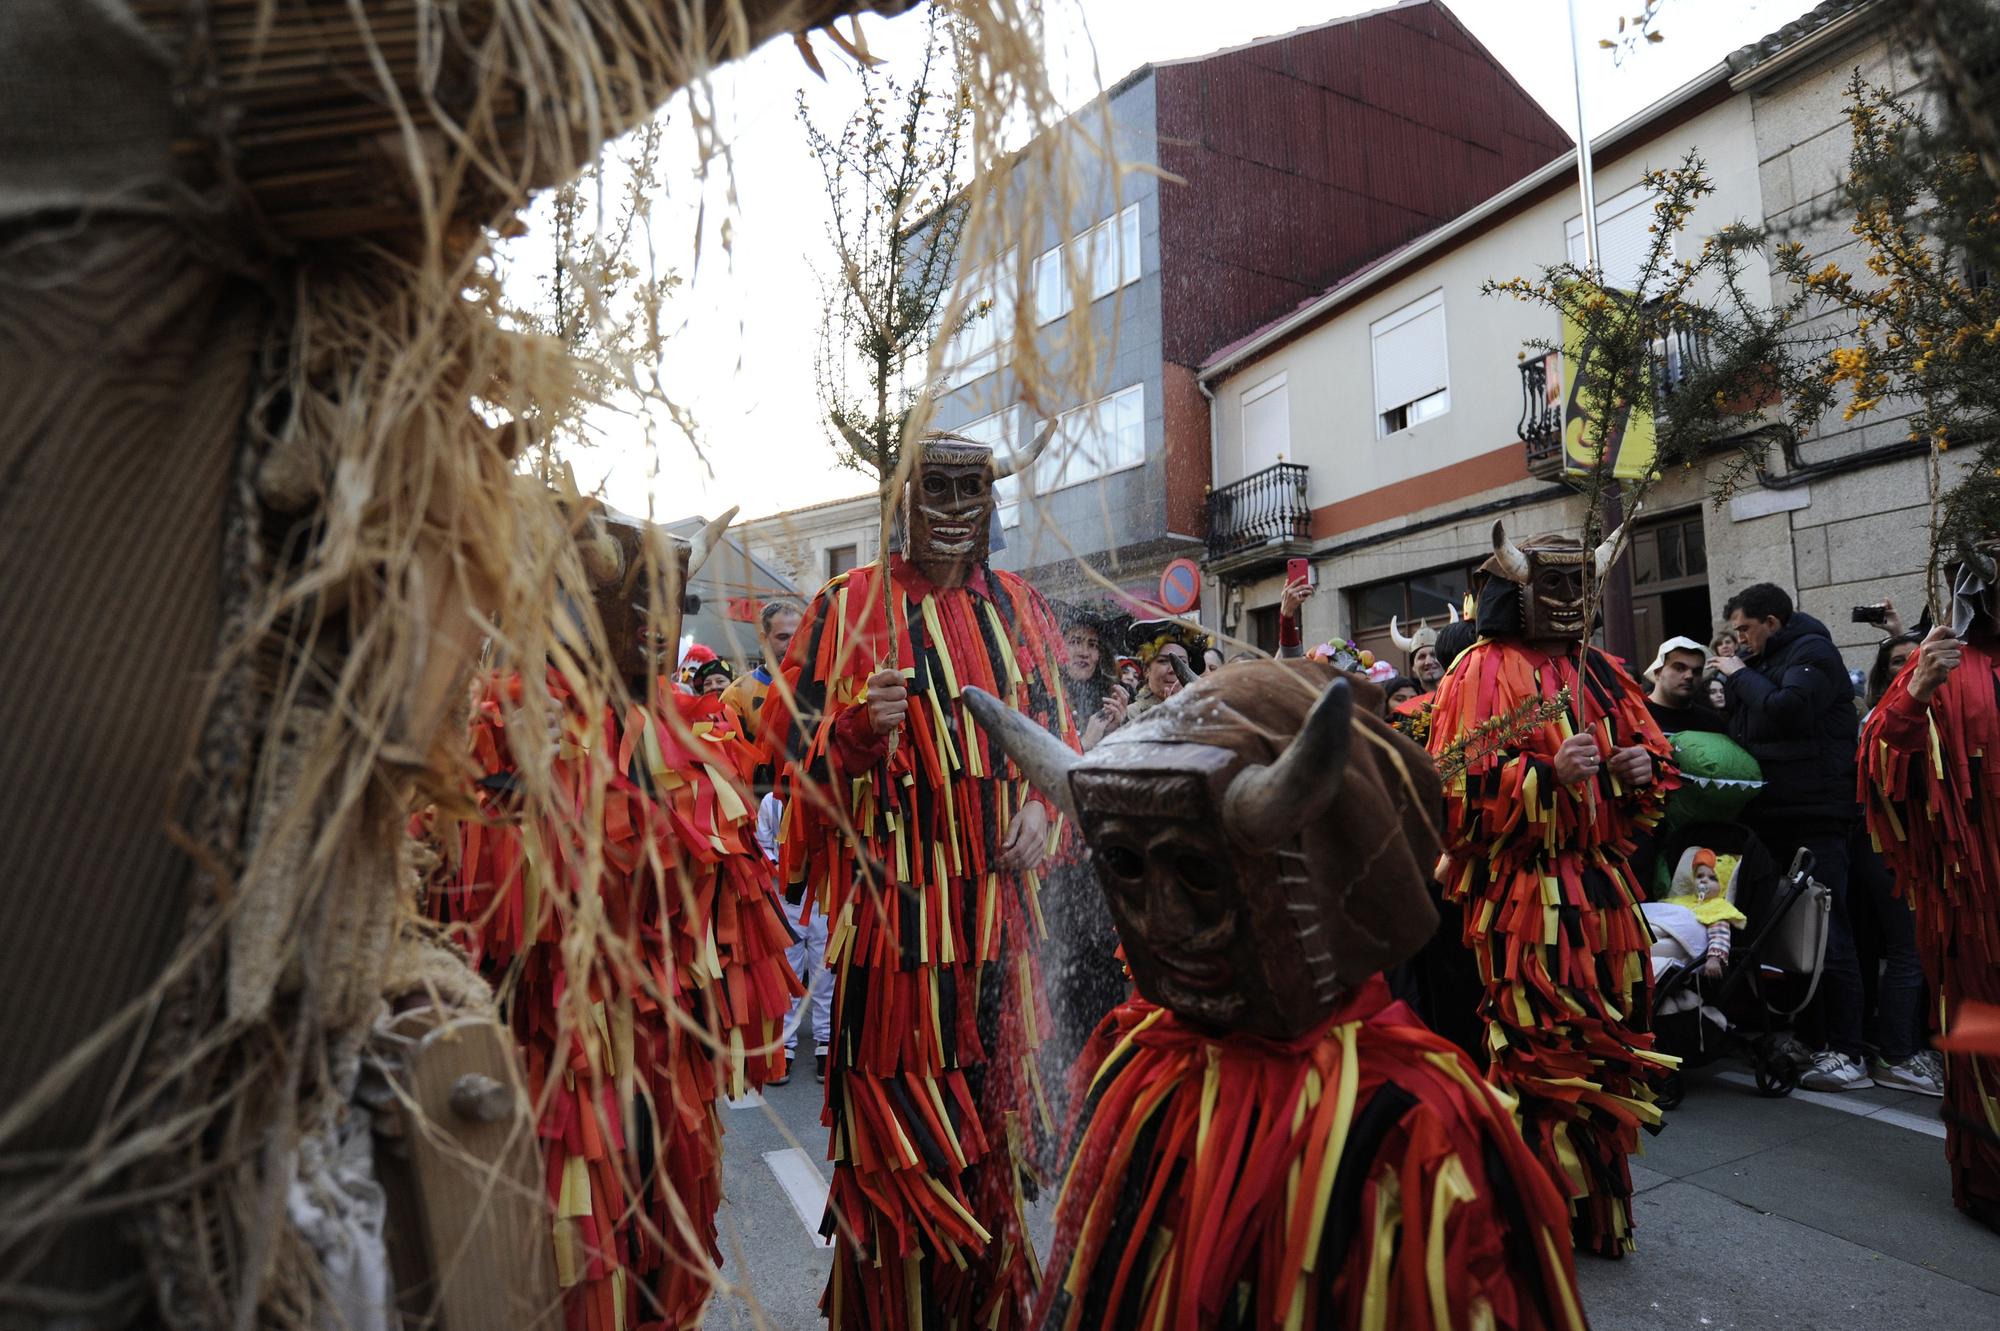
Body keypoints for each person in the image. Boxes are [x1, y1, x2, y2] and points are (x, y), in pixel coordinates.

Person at [963, 665, 1590, 1331]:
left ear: (1316, 863)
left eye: (1198, 870)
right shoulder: (1134, 1063)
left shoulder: (1416, 1128)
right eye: (1125, 863)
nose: (1161, 923)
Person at [435, 511, 801, 1329]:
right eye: (641, 606)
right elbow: (466, 915)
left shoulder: (700, 730)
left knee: (671, 1261)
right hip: (559, 1067)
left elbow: (737, 908)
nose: (662, 629)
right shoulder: (506, 725)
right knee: (575, 1269)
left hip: (672, 1074)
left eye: (674, 604)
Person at [773, 430, 1075, 1329]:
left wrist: (1044, 810)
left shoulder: (1020, 609)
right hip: (894, 948)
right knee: (895, 1168)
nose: (952, 512)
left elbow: (1064, 750)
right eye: (934, 490)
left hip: (999, 941)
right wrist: (859, 736)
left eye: (970, 491)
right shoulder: (845, 608)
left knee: (988, 1159)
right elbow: (791, 771)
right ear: (900, 502)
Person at [1428, 519, 1674, 1258]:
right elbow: (1449, 790)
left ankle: (1597, 1210)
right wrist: (1539, 776)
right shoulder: (1478, 670)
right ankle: (1534, 1216)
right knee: (1538, 1053)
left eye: (1580, 584)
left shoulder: (1601, 669)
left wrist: (1639, 772)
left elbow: (1657, 764)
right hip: (1524, 896)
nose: (1570, 601)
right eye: (1554, 584)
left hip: (1603, 890)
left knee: (1607, 1048)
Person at [1861, 551, 2000, 1230]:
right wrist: (1916, 693)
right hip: (1977, 897)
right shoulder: (1943, 667)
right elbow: (1879, 760)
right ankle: (1993, 1175)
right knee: (1989, 1030)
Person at [1714, 582, 1876, 1091]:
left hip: (1816, 815)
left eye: (1744, 628)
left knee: (1831, 933)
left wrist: (1738, 676)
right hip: (1777, 814)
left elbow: (1787, 710)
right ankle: (1811, 1036)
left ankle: (1850, 1051)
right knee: (1790, 936)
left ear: (1772, 622)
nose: (1739, 640)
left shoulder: (1813, 651)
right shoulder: (1763, 659)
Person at [759, 791, 831, 1087]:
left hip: (822, 898)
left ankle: (825, 1043)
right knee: (787, 972)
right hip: (786, 898)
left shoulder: (826, 795)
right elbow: (762, 845)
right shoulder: (771, 802)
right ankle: (784, 1045)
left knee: (824, 974)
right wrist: (783, 870)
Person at [721, 598, 805, 749]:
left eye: (798, 636)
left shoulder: (822, 686)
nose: (792, 645)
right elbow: (729, 756)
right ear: (763, 639)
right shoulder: (736, 695)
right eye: (783, 637)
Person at [1057, 613, 1130, 752]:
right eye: (1075, 642)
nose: (1084, 653)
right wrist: (1085, 744)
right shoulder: (1039, 699)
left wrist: (1111, 733)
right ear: (1057, 647)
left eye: (1092, 644)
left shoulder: (1107, 698)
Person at [1646, 636, 1729, 734]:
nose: (1689, 676)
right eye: (1679, 668)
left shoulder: (1712, 722)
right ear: (1657, 672)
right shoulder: (1634, 715)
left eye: (1697, 671)